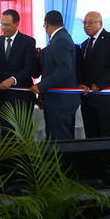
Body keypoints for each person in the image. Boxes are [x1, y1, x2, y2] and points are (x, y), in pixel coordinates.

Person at [29, 10, 79, 140]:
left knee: (60, 141)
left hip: (60, 102)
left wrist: (41, 86)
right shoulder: (59, 39)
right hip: (56, 100)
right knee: (55, 138)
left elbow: (64, 69)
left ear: (46, 24)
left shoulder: (60, 40)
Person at [77, 11, 110, 138]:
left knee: (106, 136)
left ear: (100, 23)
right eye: (84, 23)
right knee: (91, 136)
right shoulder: (84, 44)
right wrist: (81, 83)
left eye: (91, 22)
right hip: (88, 99)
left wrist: (100, 84)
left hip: (106, 99)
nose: (86, 26)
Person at [0, 9, 37, 134]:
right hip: (2, 99)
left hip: (22, 97)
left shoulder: (28, 42)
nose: (3, 28)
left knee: (24, 134)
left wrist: (12, 80)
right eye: (1, 24)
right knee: (6, 136)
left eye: (7, 25)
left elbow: (29, 68)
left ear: (16, 24)